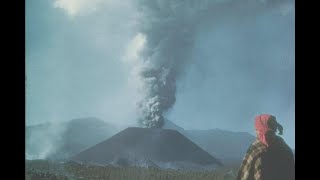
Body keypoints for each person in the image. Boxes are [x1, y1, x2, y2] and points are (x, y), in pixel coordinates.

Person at [236, 114, 295, 180]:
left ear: (260, 130)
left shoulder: (256, 147)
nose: (256, 132)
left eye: (257, 129)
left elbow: (244, 175)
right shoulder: (282, 144)